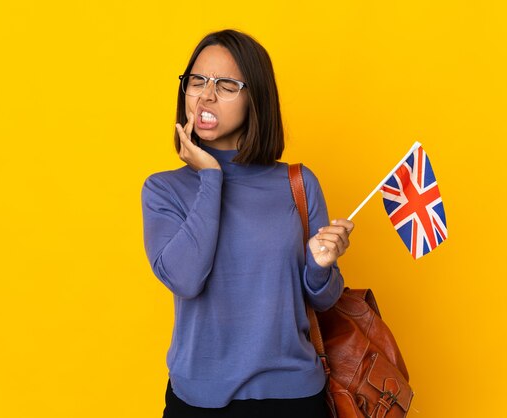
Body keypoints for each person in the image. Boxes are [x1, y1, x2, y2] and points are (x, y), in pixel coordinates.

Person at [141, 29, 355, 418]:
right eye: (197, 81)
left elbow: (324, 299)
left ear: (254, 98)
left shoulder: (298, 184)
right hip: (197, 402)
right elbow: (186, 279)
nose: (206, 96)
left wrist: (321, 268)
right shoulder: (163, 190)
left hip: (293, 399)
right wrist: (210, 177)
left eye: (225, 85)